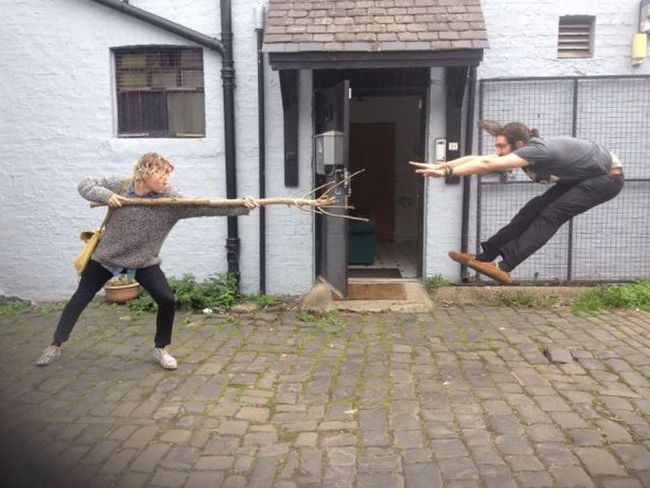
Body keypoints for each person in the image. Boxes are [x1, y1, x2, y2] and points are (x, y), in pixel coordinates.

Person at [36, 152, 258, 369]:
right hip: (107, 257)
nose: (166, 180)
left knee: (166, 299)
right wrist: (106, 196)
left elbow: (203, 206)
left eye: (168, 176)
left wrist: (241, 206)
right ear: (145, 173)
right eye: (162, 175)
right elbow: (85, 184)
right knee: (79, 299)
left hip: (144, 261)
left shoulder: (170, 197)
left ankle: (162, 349)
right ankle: (55, 345)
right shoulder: (120, 185)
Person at [410, 120, 624, 284]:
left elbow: (486, 165)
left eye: (501, 146)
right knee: (532, 210)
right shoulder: (525, 150)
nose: (498, 152)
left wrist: (447, 172)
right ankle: (485, 257)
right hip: (585, 176)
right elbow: (477, 159)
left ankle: (504, 267)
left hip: (607, 178)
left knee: (552, 214)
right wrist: (439, 166)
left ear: (519, 144)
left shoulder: (536, 150)